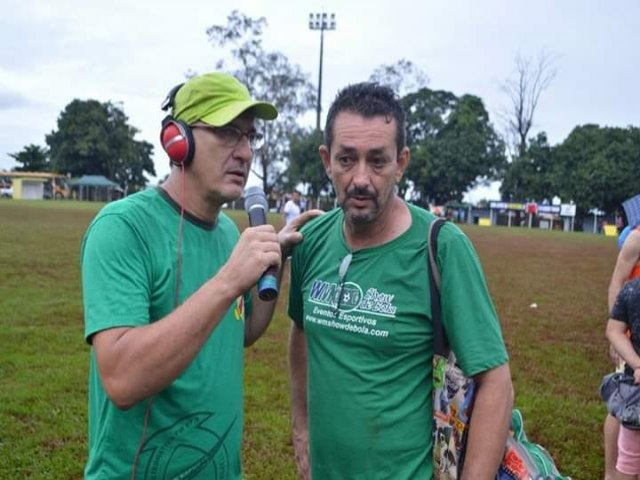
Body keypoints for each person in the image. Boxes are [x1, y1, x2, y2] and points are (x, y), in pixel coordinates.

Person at [81, 72, 320, 479]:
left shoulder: (229, 233)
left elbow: (239, 333)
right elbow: (121, 379)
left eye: (250, 137)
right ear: (179, 141)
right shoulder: (122, 228)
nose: (245, 152)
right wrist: (228, 280)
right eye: (228, 133)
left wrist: (272, 264)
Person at [287, 82, 513, 480]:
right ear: (326, 160)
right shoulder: (311, 242)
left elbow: (495, 384)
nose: (360, 178)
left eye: (377, 161)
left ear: (401, 162)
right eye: (346, 159)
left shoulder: (443, 248)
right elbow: (301, 334)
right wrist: (301, 429)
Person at [606, 223, 640, 480]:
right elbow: (617, 280)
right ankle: (612, 472)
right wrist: (616, 330)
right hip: (630, 332)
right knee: (620, 405)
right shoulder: (635, 238)